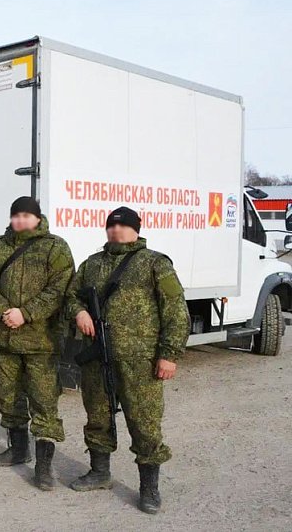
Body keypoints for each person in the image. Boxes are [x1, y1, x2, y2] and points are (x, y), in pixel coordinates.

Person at [66, 206, 188, 514]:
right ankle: (100, 471)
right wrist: (79, 312)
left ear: (136, 229)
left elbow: (175, 311)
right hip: (98, 356)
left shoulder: (155, 263)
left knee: (144, 423)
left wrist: (169, 354)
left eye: (123, 226)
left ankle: (149, 488)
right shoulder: (91, 264)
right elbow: (71, 295)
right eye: (112, 226)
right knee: (97, 415)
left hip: (140, 360)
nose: (116, 231)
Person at [0, 196, 75, 489]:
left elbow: (60, 289)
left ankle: (44, 467)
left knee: (44, 402)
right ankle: (18, 449)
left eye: (25, 215)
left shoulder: (55, 248)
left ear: (37, 217)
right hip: (4, 338)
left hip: (40, 341)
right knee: (8, 397)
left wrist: (26, 313)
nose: (20, 220)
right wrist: (3, 310)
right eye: (15, 215)